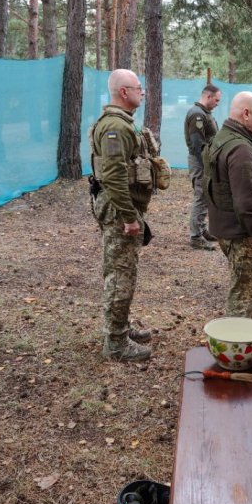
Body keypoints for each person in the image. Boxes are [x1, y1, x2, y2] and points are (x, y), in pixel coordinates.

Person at [89, 69, 155, 362]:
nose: (143, 92)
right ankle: (115, 343)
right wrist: (129, 216)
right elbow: (114, 176)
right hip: (119, 211)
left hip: (121, 208)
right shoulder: (115, 127)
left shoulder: (121, 124)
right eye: (138, 87)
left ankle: (121, 328)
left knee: (122, 272)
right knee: (120, 276)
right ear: (124, 92)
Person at [203, 92, 252, 318]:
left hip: (225, 227)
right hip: (241, 232)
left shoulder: (221, 138)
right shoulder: (241, 149)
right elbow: (246, 201)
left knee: (241, 286)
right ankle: (237, 345)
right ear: (245, 114)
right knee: (244, 294)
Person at [184, 84, 222, 250]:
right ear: (208, 96)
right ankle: (195, 237)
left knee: (206, 196)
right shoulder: (197, 115)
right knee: (201, 196)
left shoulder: (204, 113)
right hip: (201, 162)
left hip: (205, 161)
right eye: (216, 100)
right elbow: (198, 144)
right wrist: (208, 165)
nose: (218, 103)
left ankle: (201, 229)